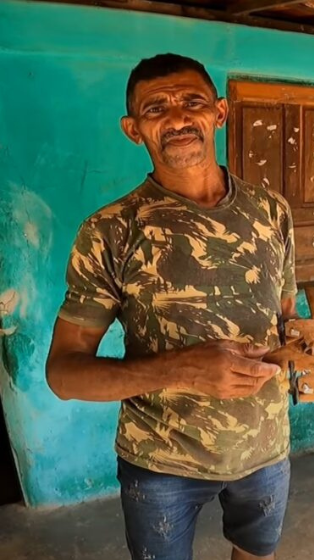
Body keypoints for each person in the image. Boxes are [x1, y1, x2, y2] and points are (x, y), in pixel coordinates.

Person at [45, 53, 296, 560]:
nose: (177, 118)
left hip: (267, 448)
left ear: (219, 114)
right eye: (155, 108)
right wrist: (182, 368)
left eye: (191, 102)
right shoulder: (111, 230)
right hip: (161, 462)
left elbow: (285, 324)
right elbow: (64, 375)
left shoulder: (272, 211)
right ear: (133, 129)